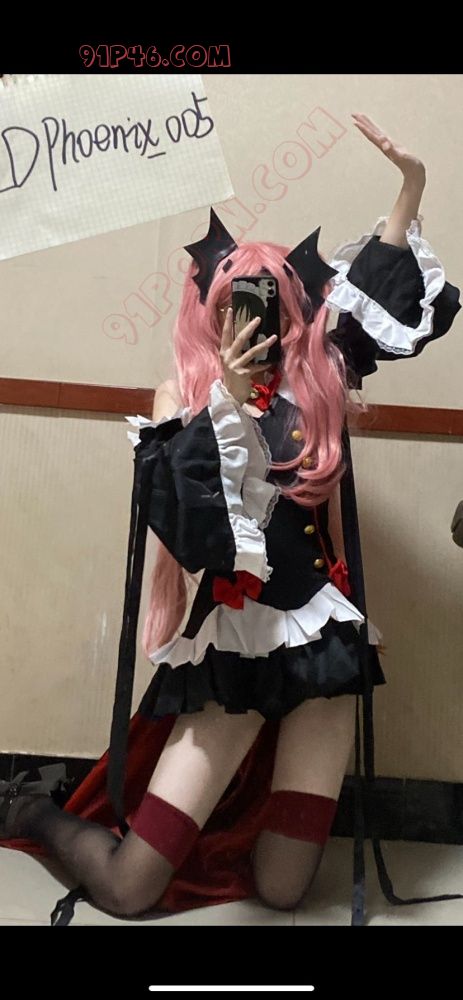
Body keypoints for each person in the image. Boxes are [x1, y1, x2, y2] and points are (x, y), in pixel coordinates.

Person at [1, 114, 461, 925]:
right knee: (129, 888)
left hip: (322, 648)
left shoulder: (322, 375)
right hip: (234, 648)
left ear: (293, 310)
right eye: (235, 305)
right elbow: (186, 527)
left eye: (269, 305)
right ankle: (36, 811)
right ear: (210, 310)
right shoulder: (182, 400)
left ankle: (234, 832)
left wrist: (411, 185)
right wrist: (228, 402)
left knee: (284, 889)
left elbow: (382, 306)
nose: (253, 322)